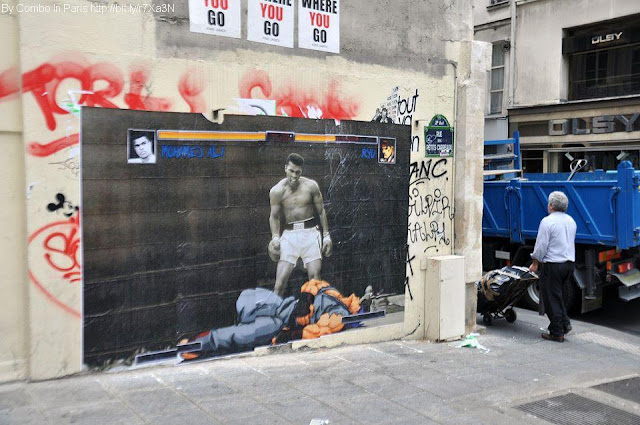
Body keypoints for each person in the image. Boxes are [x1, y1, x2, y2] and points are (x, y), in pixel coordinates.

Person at [268, 153, 332, 297]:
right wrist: (275, 237)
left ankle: (316, 310)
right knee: (279, 283)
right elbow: (274, 216)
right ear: (285, 168)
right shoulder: (277, 191)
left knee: (315, 279)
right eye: (291, 171)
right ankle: (276, 311)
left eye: (298, 172)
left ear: (301, 171)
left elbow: (321, 211)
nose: (294, 176)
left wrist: (327, 236)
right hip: (289, 235)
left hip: (310, 233)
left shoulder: (311, 186)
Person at [529, 191, 577, 342]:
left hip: (553, 265)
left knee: (551, 299)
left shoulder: (547, 222)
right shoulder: (571, 221)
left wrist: (535, 263)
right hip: (569, 264)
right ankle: (565, 324)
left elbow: (541, 246)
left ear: (551, 205)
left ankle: (557, 332)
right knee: (558, 296)